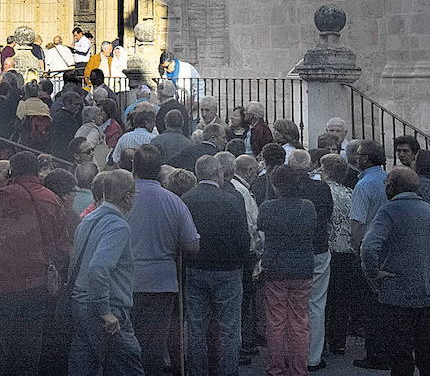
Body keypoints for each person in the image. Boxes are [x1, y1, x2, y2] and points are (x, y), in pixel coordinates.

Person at [0, 150, 68, 376]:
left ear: (11, 171)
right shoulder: (51, 199)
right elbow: (61, 247)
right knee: (27, 354)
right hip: (35, 287)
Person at [360, 167, 430, 376]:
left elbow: (369, 247)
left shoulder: (388, 211)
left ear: (391, 186)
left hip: (396, 295)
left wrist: (373, 273)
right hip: (425, 293)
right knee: (427, 354)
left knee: (400, 357)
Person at [128, 143, 200, 375]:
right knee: (154, 342)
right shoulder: (174, 201)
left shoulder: (123, 199)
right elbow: (192, 244)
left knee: (126, 338)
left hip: (126, 279)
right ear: (159, 169)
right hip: (162, 280)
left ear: (133, 167)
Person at [68, 169, 143, 376]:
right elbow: (99, 267)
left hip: (80, 303)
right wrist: (105, 312)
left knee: (83, 365)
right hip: (108, 310)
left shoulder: (88, 220)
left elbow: (75, 261)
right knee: (127, 366)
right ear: (127, 196)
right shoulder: (118, 226)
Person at [184, 153, 253, 376]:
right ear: (219, 173)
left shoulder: (187, 200)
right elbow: (244, 238)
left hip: (196, 268)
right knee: (229, 328)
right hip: (228, 270)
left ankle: (197, 371)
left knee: (196, 327)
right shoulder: (232, 200)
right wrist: (243, 263)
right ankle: (227, 371)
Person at [257, 165, 316, 376]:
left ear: (275, 185)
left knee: (275, 320)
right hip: (302, 268)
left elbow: (261, 226)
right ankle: (299, 368)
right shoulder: (307, 206)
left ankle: (277, 366)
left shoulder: (267, 207)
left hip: (276, 268)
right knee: (299, 320)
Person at [286, 150, 333, 373]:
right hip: (318, 249)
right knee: (316, 303)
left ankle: (292, 353)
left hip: (294, 250)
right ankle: (312, 356)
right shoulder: (322, 188)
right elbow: (328, 216)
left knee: (291, 304)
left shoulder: (286, 188)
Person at [347, 139, 390, 369]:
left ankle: (375, 354)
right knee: (384, 303)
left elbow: (357, 223)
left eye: (359, 154)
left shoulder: (364, 185)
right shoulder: (388, 180)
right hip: (387, 247)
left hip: (368, 247)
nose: (355, 158)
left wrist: (355, 248)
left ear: (366, 159)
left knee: (371, 305)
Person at [318, 153, 357, 358]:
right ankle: (338, 341)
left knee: (325, 298)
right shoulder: (351, 193)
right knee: (342, 299)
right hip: (348, 251)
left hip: (330, 249)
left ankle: (322, 339)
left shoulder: (324, 192)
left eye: (321, 169)